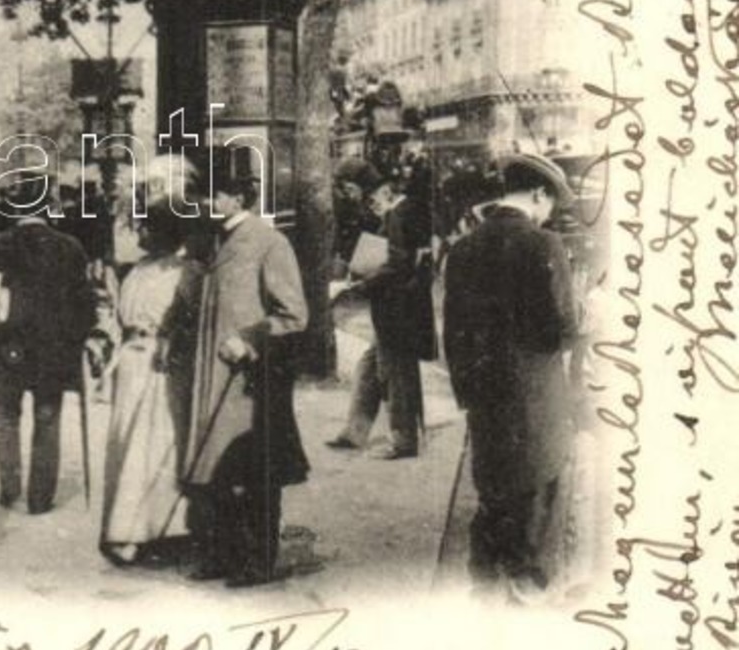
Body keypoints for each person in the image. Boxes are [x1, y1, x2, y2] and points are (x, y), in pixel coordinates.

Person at [442, 152, 581, 599]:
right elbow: (561, 330)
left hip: (484, 397)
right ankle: (527, 596)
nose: (549, 215)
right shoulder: (544, 246)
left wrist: (469, 394)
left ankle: (486, 593)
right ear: (539, 194)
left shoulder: (463, 249)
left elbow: (454, 335)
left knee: (493, 496)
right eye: (550, 205)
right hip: (535, 400)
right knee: (538, 498)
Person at [179, 166, 309, 588]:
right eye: (204, 194)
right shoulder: (213, 240)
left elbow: (294, 314)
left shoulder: (269, 242)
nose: (206, 202)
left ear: (239, 198)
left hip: (248, 382)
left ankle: (259, 560)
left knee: (253, 472)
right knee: (215, 471)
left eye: (215, 194)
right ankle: (222, 553)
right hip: (212, 379)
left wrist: (250, 339)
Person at [0, 175, 96, 515]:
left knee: (4, 414)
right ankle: (41, 497)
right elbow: (85, 304)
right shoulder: (69, 247)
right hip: (52, 351)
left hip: (5, 348)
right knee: (48, 417)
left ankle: (10, 489)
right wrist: (79, 338)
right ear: (48, 207)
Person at [100, 203, 203, 565]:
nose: (140, 234)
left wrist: (170, 340)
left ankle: (145, 528)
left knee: (153, 443)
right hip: (130, 360)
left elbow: (190, 323)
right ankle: (122, 525)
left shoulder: (186, 272)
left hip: (161, 365)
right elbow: (119, 315)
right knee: (125, 440)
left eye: (146, 228)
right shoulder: (139, 270)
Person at [326, 167, 435, 459]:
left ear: (386, 191)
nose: (369, 204)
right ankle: (355, 431)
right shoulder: (410, 210)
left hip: (397, 310)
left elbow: (397, 265)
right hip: (403, 308)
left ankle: (404, 440)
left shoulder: (398, 216)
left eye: (372, 197)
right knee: (369, 367)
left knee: (396, 373)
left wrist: (358, 286)